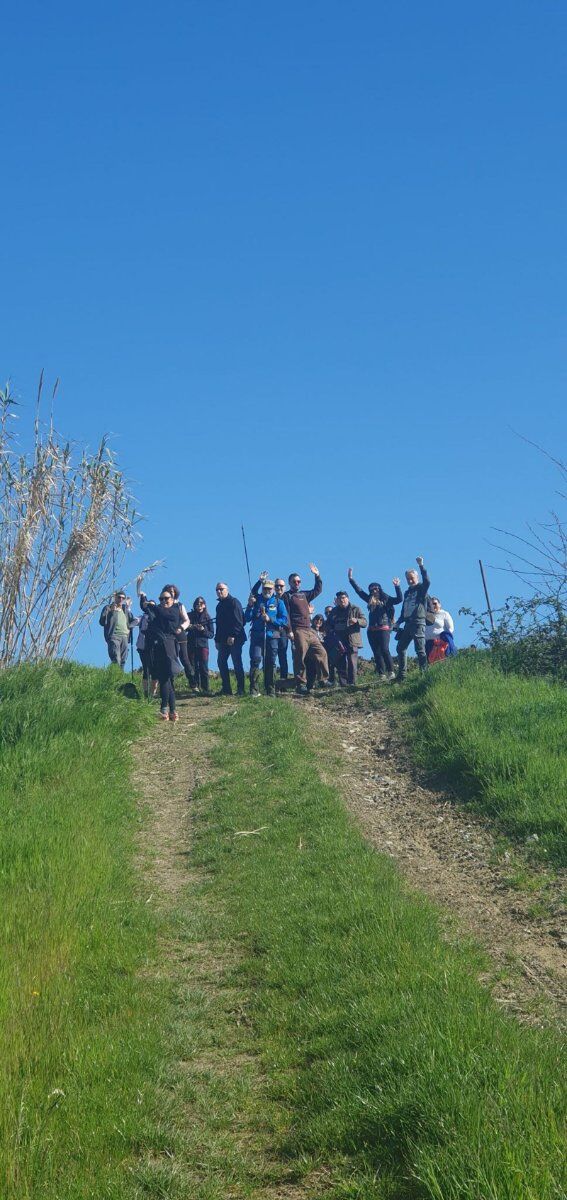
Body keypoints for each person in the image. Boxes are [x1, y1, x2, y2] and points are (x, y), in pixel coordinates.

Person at [282, 564, 330, 695]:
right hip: (298, 630)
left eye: (299, 581)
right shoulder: (287, 596)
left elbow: (317, 590)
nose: (297, 583)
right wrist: (289, 630)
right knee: (300, 656)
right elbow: (286, 614)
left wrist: (317, 575)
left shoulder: (304, 594)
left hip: (309, 630)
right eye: (295, 581)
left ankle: (323, 679)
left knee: (322, 652)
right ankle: (300, 684)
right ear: (290, 583)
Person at [347, 568, 403, 679]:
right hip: (371, 630)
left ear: (380, 589)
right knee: (376, 652)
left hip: (384, 628)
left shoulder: (386, 599)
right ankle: (381, 674)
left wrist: (397, 587)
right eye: (371, 589)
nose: (374, 591)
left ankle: (391, 672)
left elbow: (399, 599)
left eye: (376, 588)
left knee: (385, 649)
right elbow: (359, 591)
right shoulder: (369, 599)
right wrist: (351, 579)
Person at [139, 588, 183, 721]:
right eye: (161, 599)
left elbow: (165, 615)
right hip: (157, 647)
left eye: (166, 599)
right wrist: (143, 597)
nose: (163, 601)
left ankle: (164, 709)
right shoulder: (158, 611)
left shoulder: (175, 610)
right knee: (166, 679)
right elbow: (146, 609)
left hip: (169, 645)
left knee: (165, 678)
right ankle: (172, 711)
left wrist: (155, 607)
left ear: (172, 599)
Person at [244, 579, 288, 696]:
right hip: (257, 635)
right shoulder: (256, 600)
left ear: (273, 589)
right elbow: (247, 618)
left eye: (269, 588)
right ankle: (254, 690)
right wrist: (249, 605)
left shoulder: (279, 602)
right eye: (265, 588)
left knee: (270, 662)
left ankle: (270, 690)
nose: (267, 590)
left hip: (272, 636)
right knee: (255, 659)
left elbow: (284, 620)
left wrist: (270, 619)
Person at [393, 557, 430, 680]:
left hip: (418, 622)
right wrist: (398, 622)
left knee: (419, 649)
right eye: (408, 579)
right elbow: (404, 610)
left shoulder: (421, 589)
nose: (410, 580)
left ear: (417, 578)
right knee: (400, 648)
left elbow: (427, 581)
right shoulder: (407, 593)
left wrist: (421, 566)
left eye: (412, 578)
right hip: (407, 624)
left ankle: (424, 674)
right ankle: (402, 675)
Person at [327, 591, 367, 686]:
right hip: (339, 641)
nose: (342, 600)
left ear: (348, 598)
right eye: (340, 598)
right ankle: (343, 684)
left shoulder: (355, 609)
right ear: (337, 600)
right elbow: (328, 624)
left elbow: (365, 622)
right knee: (341, 663)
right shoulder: (334, 611)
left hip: (352, 639)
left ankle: (352, 683)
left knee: (352, 662)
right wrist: (331, 631)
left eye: (344, 598)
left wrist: (356, 620)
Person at [215, 582, 246, 696]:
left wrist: (233, 635)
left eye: (221, 589)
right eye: (217, 590)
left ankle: (241, 689)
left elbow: (240, 621)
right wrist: (217, 640)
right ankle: (226, 689)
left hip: (236, 639)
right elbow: (218, 625)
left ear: (227, 589)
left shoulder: (234, 602)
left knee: (236, 663)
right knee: (221, 661)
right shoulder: (219, 606)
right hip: (222, 640)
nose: (219, 591)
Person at [163, 583, 195, 688]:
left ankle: (193, 683)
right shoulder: (163, 605)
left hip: (180, 634)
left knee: (185, 659)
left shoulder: (180, 605)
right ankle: (170, 685)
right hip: (168, 636)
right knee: (170, 658)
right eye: (169, 591)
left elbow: (187, 620)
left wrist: (181, 628)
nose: (172, 593)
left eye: (173, 591)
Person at [99, 590, 137, 668]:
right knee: (116, 658)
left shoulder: (125, 609)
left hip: (125, 637)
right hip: (114, 636)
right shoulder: (108, 608)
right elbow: (102, 622)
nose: (121, 599)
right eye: (119, 597)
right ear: (115, 598)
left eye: (123, 598)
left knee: (123, 659)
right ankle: (115, 677)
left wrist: (129, 626)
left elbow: (134, 620)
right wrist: (111, 612)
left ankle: (120, 678)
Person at [187, 596, 214, 692]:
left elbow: (211, 634)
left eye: (201, 603)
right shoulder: (189, 615)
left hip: (203, 646)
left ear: (204, 605)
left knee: (203, 667)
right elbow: (183, 626)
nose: (199, 605)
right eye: (197, 604)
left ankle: (206, 688)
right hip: (191, 645)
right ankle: (195, 687)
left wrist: (203, 630)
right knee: (193, 667)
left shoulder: (208, 617)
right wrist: (191, 627)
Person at [425, 597, 456, 663]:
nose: (433, 606)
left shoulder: (444, 614)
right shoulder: (426, 615)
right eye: (430, 604)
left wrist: (444, 639)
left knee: (443, 661)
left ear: (439, 604)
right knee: (431, 663)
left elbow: (451, 628)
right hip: (428, 643)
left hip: (441, 644)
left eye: (435, 603)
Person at [274, 579, 291, 678]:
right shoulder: (271, 598)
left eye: (281, 586)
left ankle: (284, 680)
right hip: (273, 630)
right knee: (272, 655)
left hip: (285, 630)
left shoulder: (289, 598)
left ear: (285, 587)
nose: (279, 588)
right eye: (277, 586)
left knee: (282, 655)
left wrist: (290, 630)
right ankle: (272, 681)